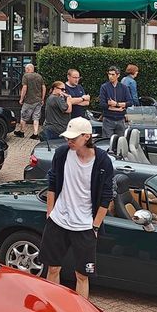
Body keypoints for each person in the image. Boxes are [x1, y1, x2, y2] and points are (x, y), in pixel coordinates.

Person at [40, 117, 114, 301]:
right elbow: (53, 182)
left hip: (84, 226)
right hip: (59, 221)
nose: (69, 141)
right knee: (53, 268)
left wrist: (95, 226)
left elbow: (106, 196)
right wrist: (50, 212)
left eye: (74, 138)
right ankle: (52, 308)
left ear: (87, 136)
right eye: (68, 137)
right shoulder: (62, 153)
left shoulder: (103, 161)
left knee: (82, 275)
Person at [99, 66, 130, 140]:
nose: (110, 76)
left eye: (113, 74)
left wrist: (116, 104)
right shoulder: (104, 87)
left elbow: (130, 102)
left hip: (120, 119)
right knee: (107, 142)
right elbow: (102, 104)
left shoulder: (124, 87)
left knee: (120, 143)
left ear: (118, 75)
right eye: (109, 74)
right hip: (108, 119)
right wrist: (116, 109)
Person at [16, 63, 45, 138]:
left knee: (23, 116)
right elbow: (43, 88)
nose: (25, 71)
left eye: (25, 69)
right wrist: (42, 98)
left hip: (29, 101)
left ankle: (22, 132)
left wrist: (21, 99)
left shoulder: (26, 76)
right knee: (36, 117)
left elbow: (24, 88)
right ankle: (35, 133)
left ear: (28, 69)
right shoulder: (39, 76)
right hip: (38, 100)